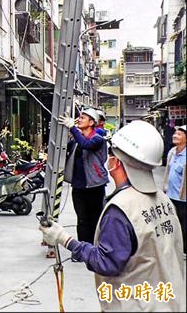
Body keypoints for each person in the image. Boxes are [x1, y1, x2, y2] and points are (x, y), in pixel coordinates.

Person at [40, 120, 186, 312]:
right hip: (170, 302)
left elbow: (106, 262)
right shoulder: (164, 200)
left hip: (137, 305)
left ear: (117, 163)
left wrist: (64, 239)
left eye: (111, 155)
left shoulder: (121, 209)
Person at [59, 107, 108, 244]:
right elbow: (66, 147)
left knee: (95, 219)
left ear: (92, 123)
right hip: (79, 186)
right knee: (82, 219)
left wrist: (72, 127)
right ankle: (83, 248)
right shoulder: (76, 140)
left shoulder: (98, 139)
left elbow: (86, 144)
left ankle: (95, 247)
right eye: (79, 117)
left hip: (95, 185)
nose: (79, 119)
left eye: (83, 118)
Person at [164, 124, 186, 257]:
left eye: (179, 134)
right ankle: (173, 246)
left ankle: (183, 249)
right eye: (175, 133)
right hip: (171, 194)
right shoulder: (172, 152)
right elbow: (167, 171)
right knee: (172, 222)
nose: (174, 135)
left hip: (183, 197)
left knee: (183, 224)